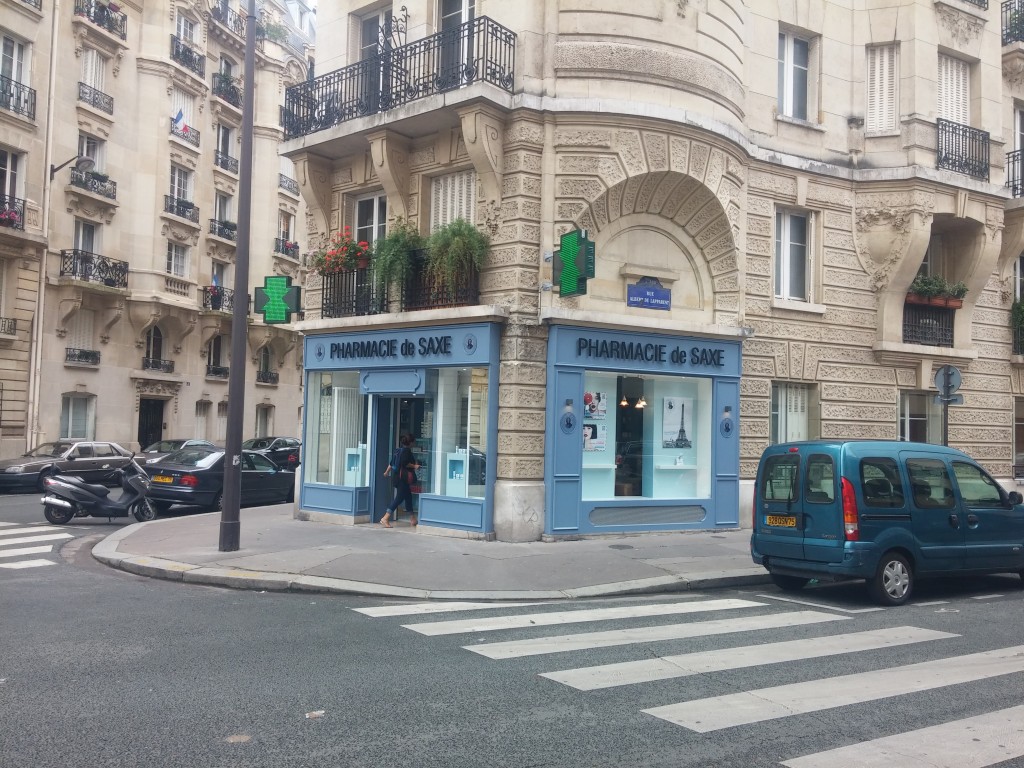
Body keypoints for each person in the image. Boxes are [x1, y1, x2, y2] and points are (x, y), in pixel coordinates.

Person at [380, 434, 419, 528]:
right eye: (413, 442)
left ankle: (413, 519)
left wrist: (386, 472)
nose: (414, 443)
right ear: (410, 442)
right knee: (399, 498)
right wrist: (415, 466)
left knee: (408, 497)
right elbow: (405, 463)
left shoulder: (398, 450)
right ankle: (385, 518)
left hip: (397, 477)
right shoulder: (407, 451)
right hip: (403, 479)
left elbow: (391, 463)